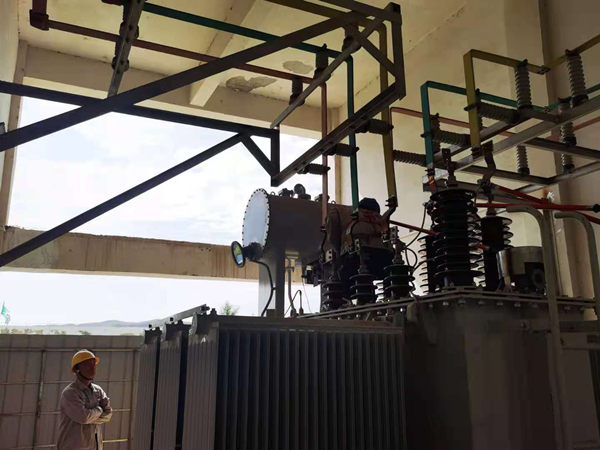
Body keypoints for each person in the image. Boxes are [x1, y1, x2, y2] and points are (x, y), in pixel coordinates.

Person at [57, 350, 112, 450]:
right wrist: (99, 410)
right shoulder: (70, 393)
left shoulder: (98, 390)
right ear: (77, 369)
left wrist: (90, 416)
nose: (93, 367)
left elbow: (108, 414)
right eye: (88, 364)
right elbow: (84, 417)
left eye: (94, 364)